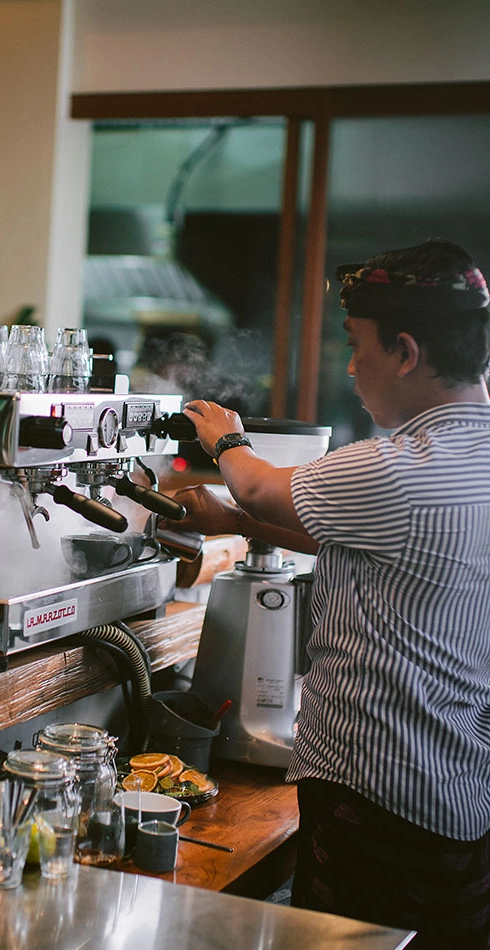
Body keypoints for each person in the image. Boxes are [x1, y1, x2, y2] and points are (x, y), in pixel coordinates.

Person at [167, 240, 490, 947]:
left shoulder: (399, 466)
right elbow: (372, 546)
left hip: (377, 798)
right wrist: (231, 523)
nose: (349, 366)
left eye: (355, 344)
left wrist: (225, 438)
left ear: (405, 352)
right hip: (458, 786)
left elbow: (257, 484)